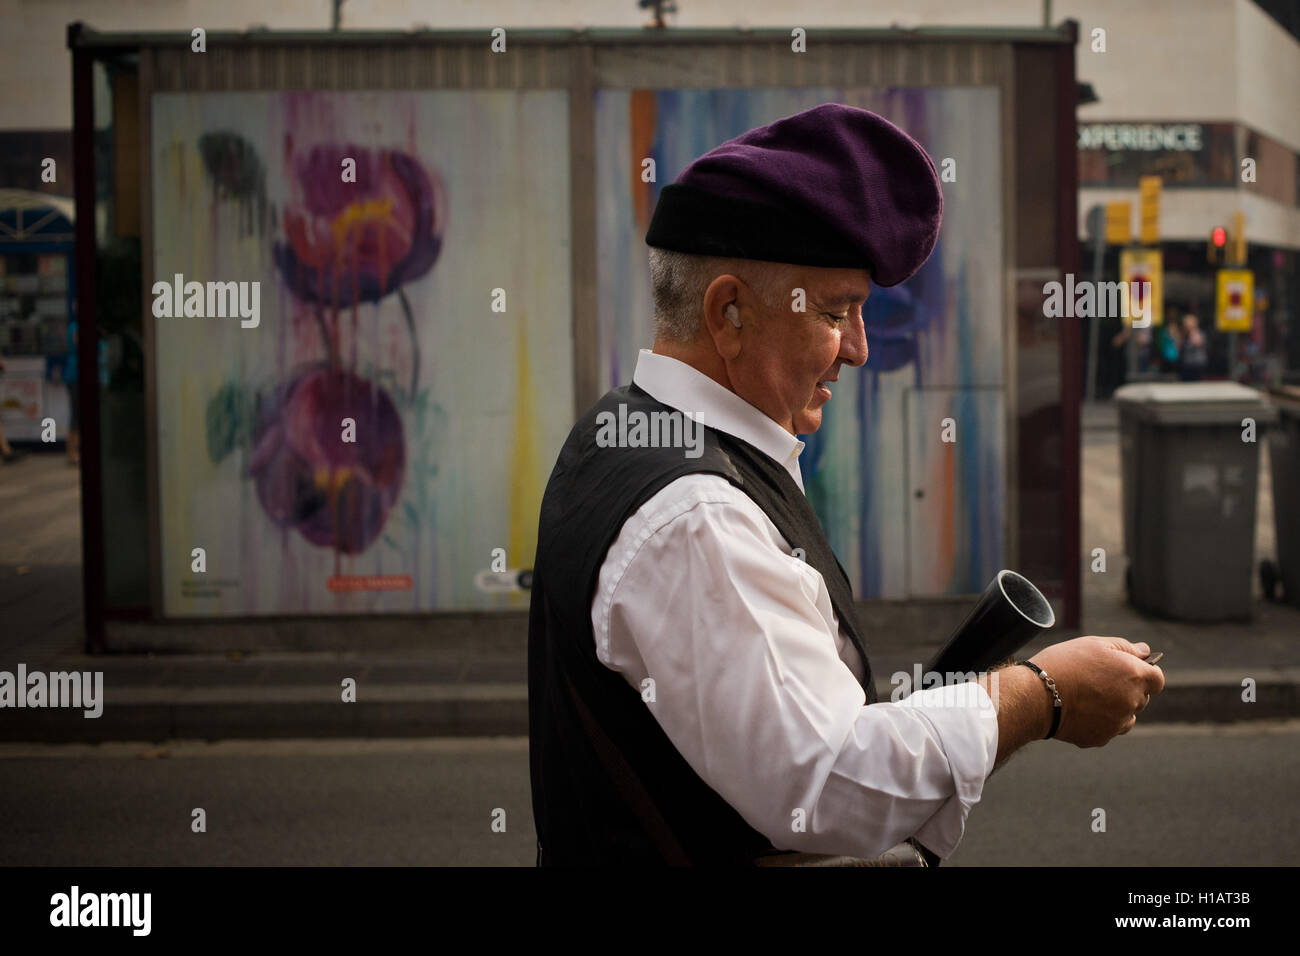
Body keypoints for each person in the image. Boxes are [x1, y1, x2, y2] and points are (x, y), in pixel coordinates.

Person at [527, 103, 1164, 866]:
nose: (858, 350)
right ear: (727, 310)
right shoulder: (695, 516)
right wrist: (1039, 697)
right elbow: (826, 787)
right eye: (836, 312)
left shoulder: (623, 428)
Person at [1178, 313, 1208, 382]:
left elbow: (1198, 343)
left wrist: (1192, 332)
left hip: (1196, 363)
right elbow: (1179, 346)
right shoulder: (1184, 334)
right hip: (1186, 363)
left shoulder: (1199, 333)